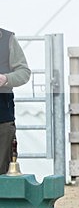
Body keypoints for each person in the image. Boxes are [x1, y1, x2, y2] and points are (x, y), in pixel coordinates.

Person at [0, 28, 32, 174]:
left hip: (2, 118)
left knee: (3, 170)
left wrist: (6, 79)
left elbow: (24, 72)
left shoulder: (7, 39)